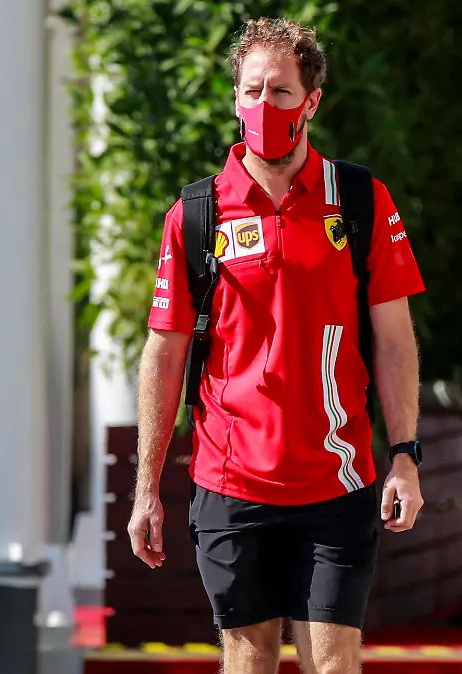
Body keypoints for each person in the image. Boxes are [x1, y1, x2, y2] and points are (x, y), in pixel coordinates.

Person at [128, 17, 426, 674]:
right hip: (232, 482)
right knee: (248, 660)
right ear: (235, 99)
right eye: (253, 91)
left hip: (337, 478)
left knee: (334, 663)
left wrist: (404, 456)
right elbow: (165, 352)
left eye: (282, 92)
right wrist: (146, 488)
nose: (266, 106)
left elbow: (396, 340)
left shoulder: (359, 200)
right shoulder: (197, 215)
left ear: (311, 101)